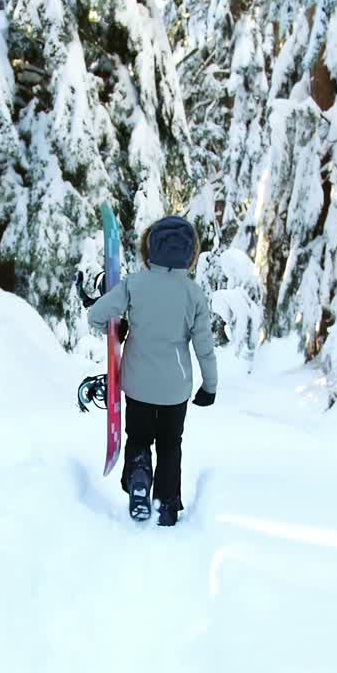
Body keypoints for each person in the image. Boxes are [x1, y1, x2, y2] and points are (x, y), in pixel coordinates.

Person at [87, 215, 218, 526]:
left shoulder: (134, 283)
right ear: (190, 253)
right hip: (175, 389)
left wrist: (120, 330)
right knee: (171, 444)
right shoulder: (193, 293)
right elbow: (204, 347)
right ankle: (167, 505)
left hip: (138, 384)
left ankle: (139, 476)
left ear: (150, 247)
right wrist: (209, 386)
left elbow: (96, 315)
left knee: (139, 437)